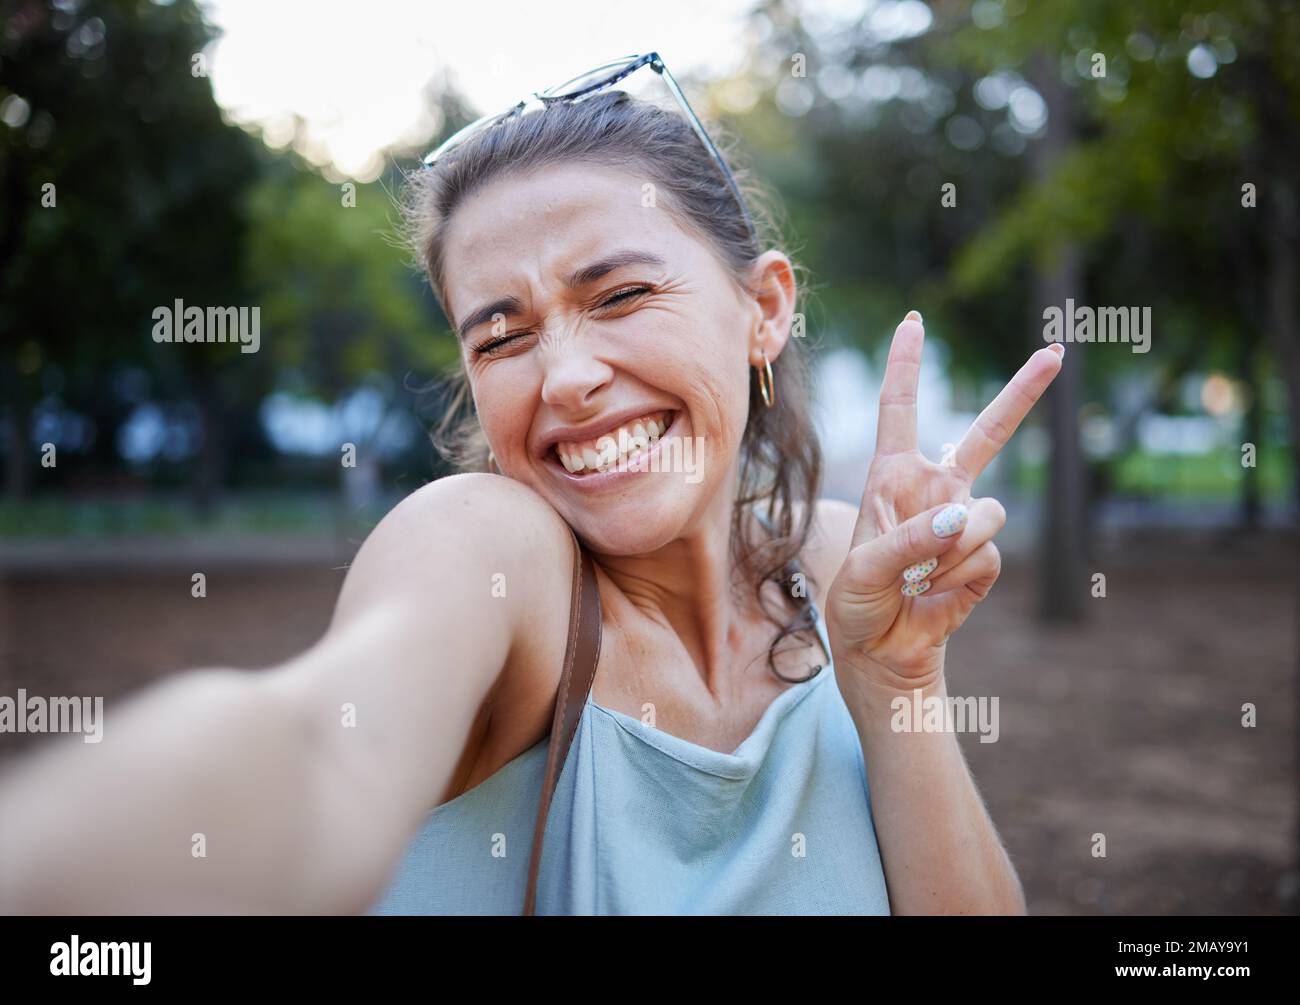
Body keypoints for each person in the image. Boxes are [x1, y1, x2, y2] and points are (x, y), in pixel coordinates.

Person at [0, 57, 1063, 915]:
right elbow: (314, 747)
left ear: (764, 307)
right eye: (500, 336)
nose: (563, 378)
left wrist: (899, 686)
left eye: (622, 294)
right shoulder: (489, 549)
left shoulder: (840, 570)